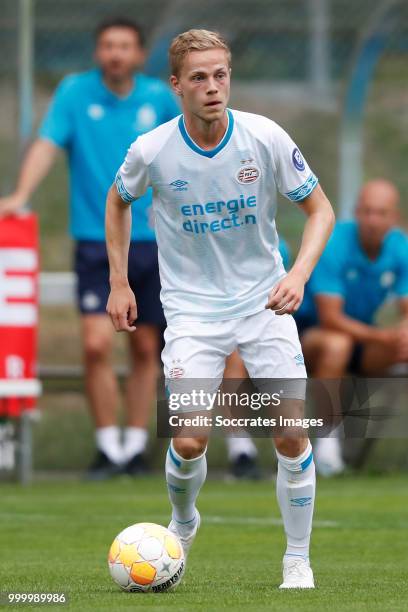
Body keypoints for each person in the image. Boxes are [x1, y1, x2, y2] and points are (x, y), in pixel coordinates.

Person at [106, 30, 335, 588]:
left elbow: (321, 210)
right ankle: (182, 526)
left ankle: (297, 559)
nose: (213, 87)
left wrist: (298, 275)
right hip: (191, 311)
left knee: (290, 433)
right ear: (177, 86)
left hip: (265, 303)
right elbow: (118, 200)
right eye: (200, 78)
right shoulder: (152, 149)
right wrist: (119, 281)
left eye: (221, 75)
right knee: (188, 440)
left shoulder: (264, 137)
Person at [0, 17, 180, 479]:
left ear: (140, 54)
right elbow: (46, 145)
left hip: (153, 243)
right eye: (107, 45)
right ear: (97, 52)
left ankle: (135, 448)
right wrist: (21, 195)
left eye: (124, 46)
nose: (115, 53)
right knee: (97, 345)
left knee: (145, 348)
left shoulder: (159, 98)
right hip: (95, 242)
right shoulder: (74, 93)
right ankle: (107, 447)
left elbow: (180, 158)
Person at [295, 179, 408, 475]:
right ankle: (327, 442)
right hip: (310, 336)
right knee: (337, 345)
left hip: (362, 337)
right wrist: (383, 336)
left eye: (381, 213)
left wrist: (403, 332)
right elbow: (330, 318)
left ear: (393, 217)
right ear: (356, 212)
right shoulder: (334, 242)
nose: (372, 220)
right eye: (367, 211)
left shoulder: (399, 247)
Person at [224, 237, 291, 480]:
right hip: (221, 328)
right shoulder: (209, 245)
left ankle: (287, 451)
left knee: (277, 360)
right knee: (234, 358)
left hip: (266, 325)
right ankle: (240, 450)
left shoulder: (276, 247)